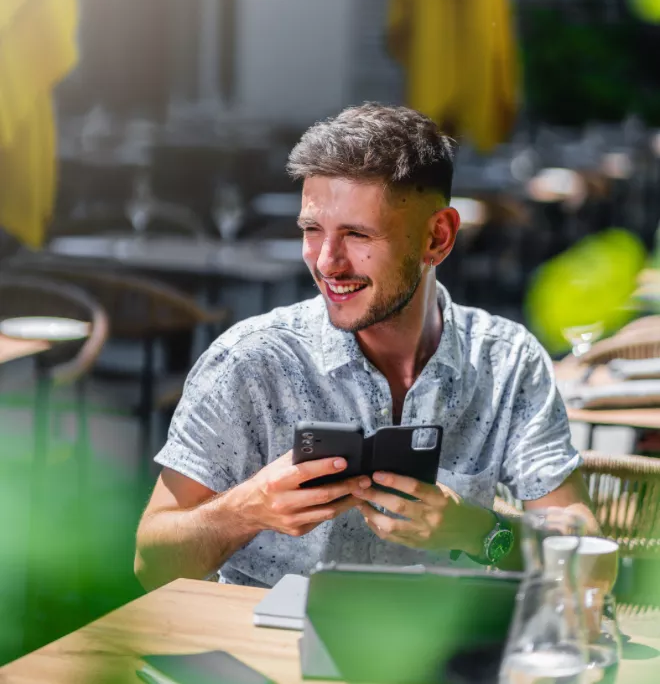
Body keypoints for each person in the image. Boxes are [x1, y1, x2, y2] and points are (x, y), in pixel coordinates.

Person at [135, 103, 596, 591]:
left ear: (437, 237)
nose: (327, 263)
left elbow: (591, 556)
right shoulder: (250, 361)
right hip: (268, 657)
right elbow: (152, 564)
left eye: (357, 234)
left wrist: (480, 531)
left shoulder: (507, 361)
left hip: (445, 658)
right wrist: (246, 509)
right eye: (312, 231)